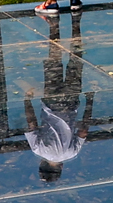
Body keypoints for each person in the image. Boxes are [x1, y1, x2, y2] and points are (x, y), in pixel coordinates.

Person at [23, 14, 94, 182]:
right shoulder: (38, 150)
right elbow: (31, 124)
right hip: (50, 101)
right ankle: (53, 25)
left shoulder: (71, 153)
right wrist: (27, 100)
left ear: (61, 167)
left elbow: (83, 130)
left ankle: (75, 23)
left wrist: (89, 101)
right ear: (42, 164)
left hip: (71, 102)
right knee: (54, 59)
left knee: (75, 60)